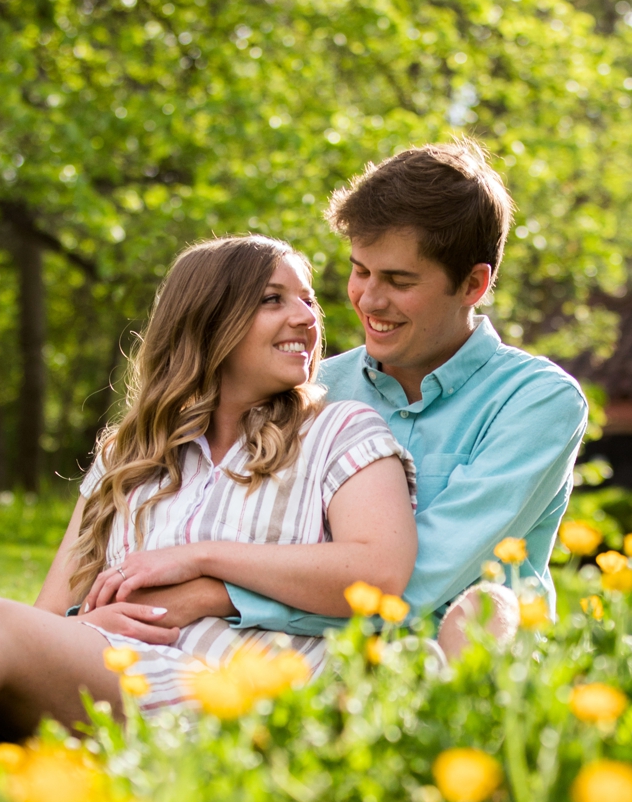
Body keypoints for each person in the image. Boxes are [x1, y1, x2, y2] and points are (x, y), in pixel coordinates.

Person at [0, 234, 416, 737]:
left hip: (230, 694)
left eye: (309, 300)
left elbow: (380, 571)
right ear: (208, 322)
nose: (307, 317)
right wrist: (85, 629)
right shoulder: (131, 454)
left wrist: (199, 558)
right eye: (272, 300)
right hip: (112, 678)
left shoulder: (341, 429)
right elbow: (51, 614)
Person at [89, 139, 589, 664]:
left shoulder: (537, 402)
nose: (369, 300)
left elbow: (419, 576)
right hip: (320, 654)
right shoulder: (311, 390)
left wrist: (221, 593)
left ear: (472, 284)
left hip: (463, 653)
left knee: (487, 606)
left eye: (399, 281)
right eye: (361, 271)